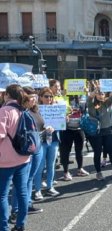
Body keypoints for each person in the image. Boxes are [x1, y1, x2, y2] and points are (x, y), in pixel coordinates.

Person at [9, 87, 44, 224]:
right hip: (25, 149)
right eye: (31, 97)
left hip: (37, 147)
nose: (34, 99)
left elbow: (39, 126)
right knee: (21, 182)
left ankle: (27, 204)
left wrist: (47, 128)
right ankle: (16, 210)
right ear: (24, 98)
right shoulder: (20, 111)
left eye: (35, 96)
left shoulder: (35, 110)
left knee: (29, 179)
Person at [0, 85, 31, 231]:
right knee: (22, 191)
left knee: (2, 195)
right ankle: (20, 224)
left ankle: (3, 227)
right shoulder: (23, 110)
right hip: (23, 157)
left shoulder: (4, 111)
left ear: (6, 95)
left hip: (5, 160)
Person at [87, 81, 112, 180]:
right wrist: (95, 90)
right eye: (99, 94)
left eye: (102, 94)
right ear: (96, 94)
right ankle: (98, 172)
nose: (101, 96)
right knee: (97, 152)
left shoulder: (106, 103)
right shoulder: (91, 104)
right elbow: (90, 97)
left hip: (107, 130)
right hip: (96, 132)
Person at [34, 87, 61, 200]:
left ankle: (50, 187)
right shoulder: (36, 110)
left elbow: (60, 124)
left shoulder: (56, 108)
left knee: (51, 165)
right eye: (46, 96)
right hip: (41, 141)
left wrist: (64, 120)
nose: (49, 98)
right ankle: (37, 190)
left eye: (50, 96)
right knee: (39, 167)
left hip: (53, 140)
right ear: (40, 97)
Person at [60, 95, 89, 181]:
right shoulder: (63, 99)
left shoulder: (82, 98)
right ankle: (66, 172)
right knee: (66, 151)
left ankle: (80, 169)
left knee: (79, 150)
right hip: (66, 129)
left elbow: (85, 109)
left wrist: (85, 94)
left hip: (79, 129)